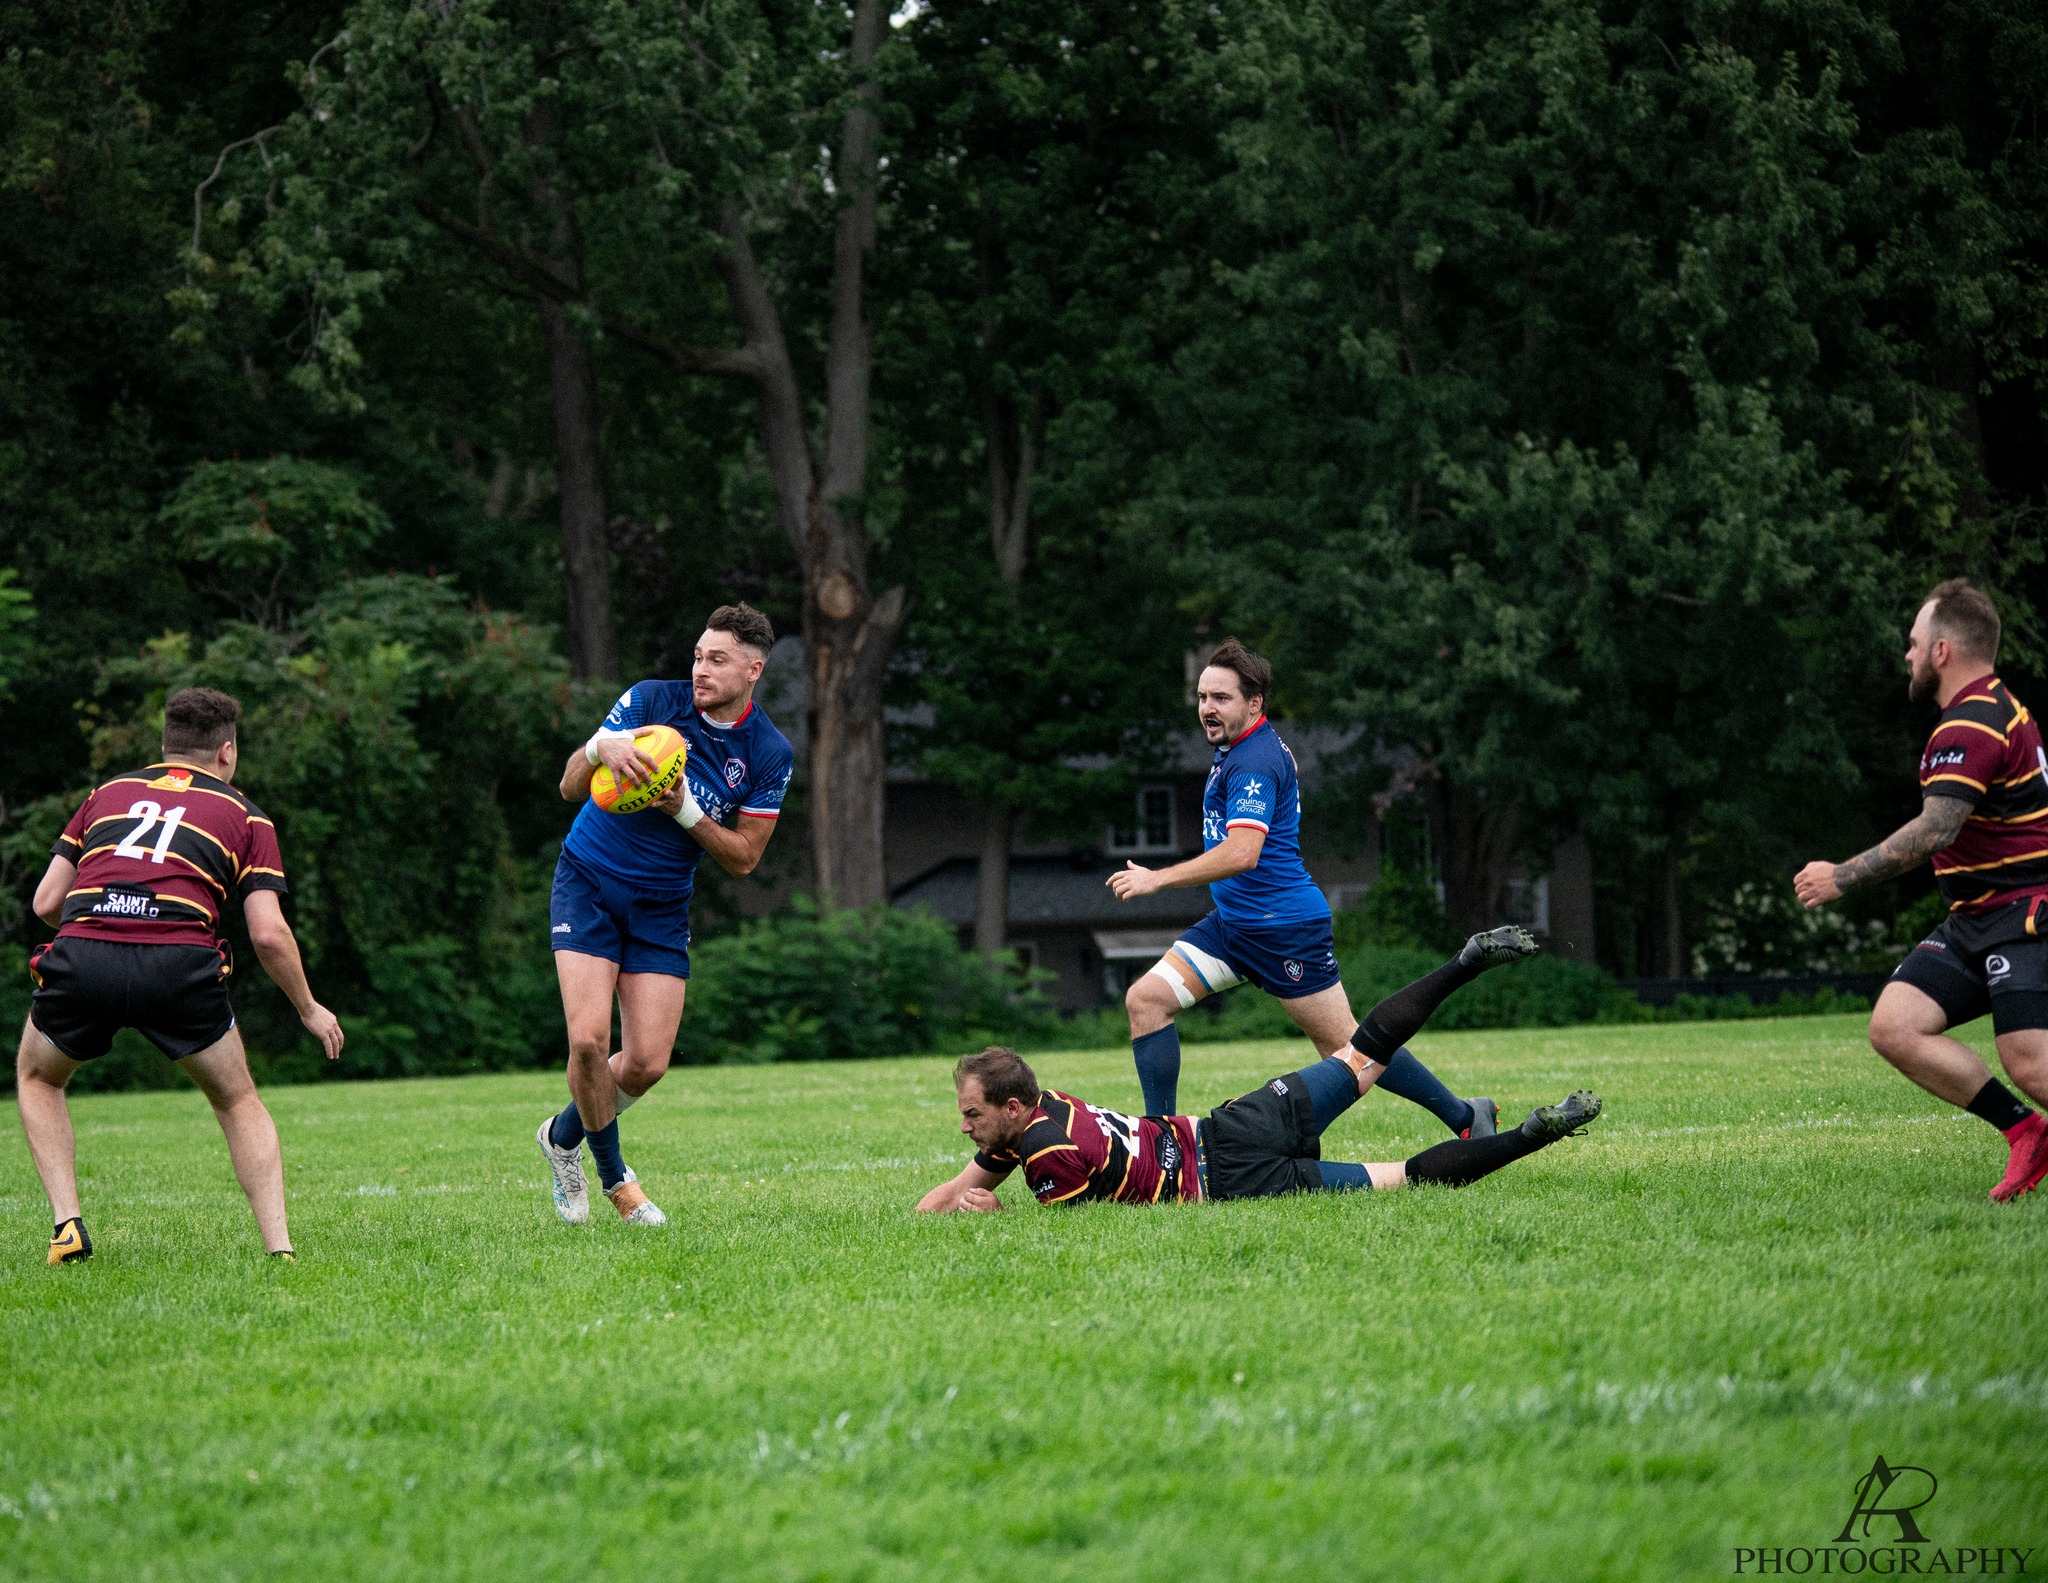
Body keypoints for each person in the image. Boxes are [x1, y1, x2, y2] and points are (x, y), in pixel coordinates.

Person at [1106, 636, 1520, 1136]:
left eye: (1221, 698)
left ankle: (1464, 1116)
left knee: (1350, 1049)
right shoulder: (1240, 746)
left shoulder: (1254, 760)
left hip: (1283, 928)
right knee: (1146, 1001)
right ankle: (1160, 1139)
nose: (1207, 709)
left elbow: (1243, 852)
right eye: (1201, 697)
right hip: (1234, 926)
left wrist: (1159, 878)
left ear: (1254, 703)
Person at [15, 687, 345, 1265]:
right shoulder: (245, 813)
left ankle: (67, 1226)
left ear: (165, 745)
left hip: (85, 953)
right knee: (238, 1100)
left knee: (39, 1079)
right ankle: (280, 1250)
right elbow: (268, 933)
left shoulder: (108, 794)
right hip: (177, 963)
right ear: (226, 751)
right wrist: (309, 1007)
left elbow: (47, 901)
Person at [917, 939, 1600, 1211]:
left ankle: (1534, 1134)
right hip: (1237, 1122)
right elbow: (949, 1193)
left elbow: (1080, 1238)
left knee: (1403, 1176)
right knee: (1363, 1051)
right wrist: (948, 1202)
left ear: (1010, 1107)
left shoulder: (1044, 1151)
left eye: (972, 1113)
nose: (964, 1123)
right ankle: (1465, 962)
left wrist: (998, 1214)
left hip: (1235, 1181)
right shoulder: (1047, 1106)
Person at [537, 604, 794, 1227]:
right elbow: (571, 786)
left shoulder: (768, 752)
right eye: (698, 655)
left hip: (660, 903)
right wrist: (601, 746)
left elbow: (743, 859)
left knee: (648, 1063)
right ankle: (618, 1187)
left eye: (718, 659)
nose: (700, 669)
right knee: (589, 1042)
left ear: (753, 669)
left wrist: (684, 810)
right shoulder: (652, 700)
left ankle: (560, 1134)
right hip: (589, 882)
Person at [1795, 577, 2048, 1202]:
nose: (1907, 655)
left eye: (1914, 642)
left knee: (2029, 1061)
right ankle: (2026, 1133)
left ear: (1942, 651)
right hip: (1975, 918)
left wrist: (1840, 877)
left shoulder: (1973, 723)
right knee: (1896, 1025)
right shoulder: (1997, 709)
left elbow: (1936, 830)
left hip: (2022, 916)